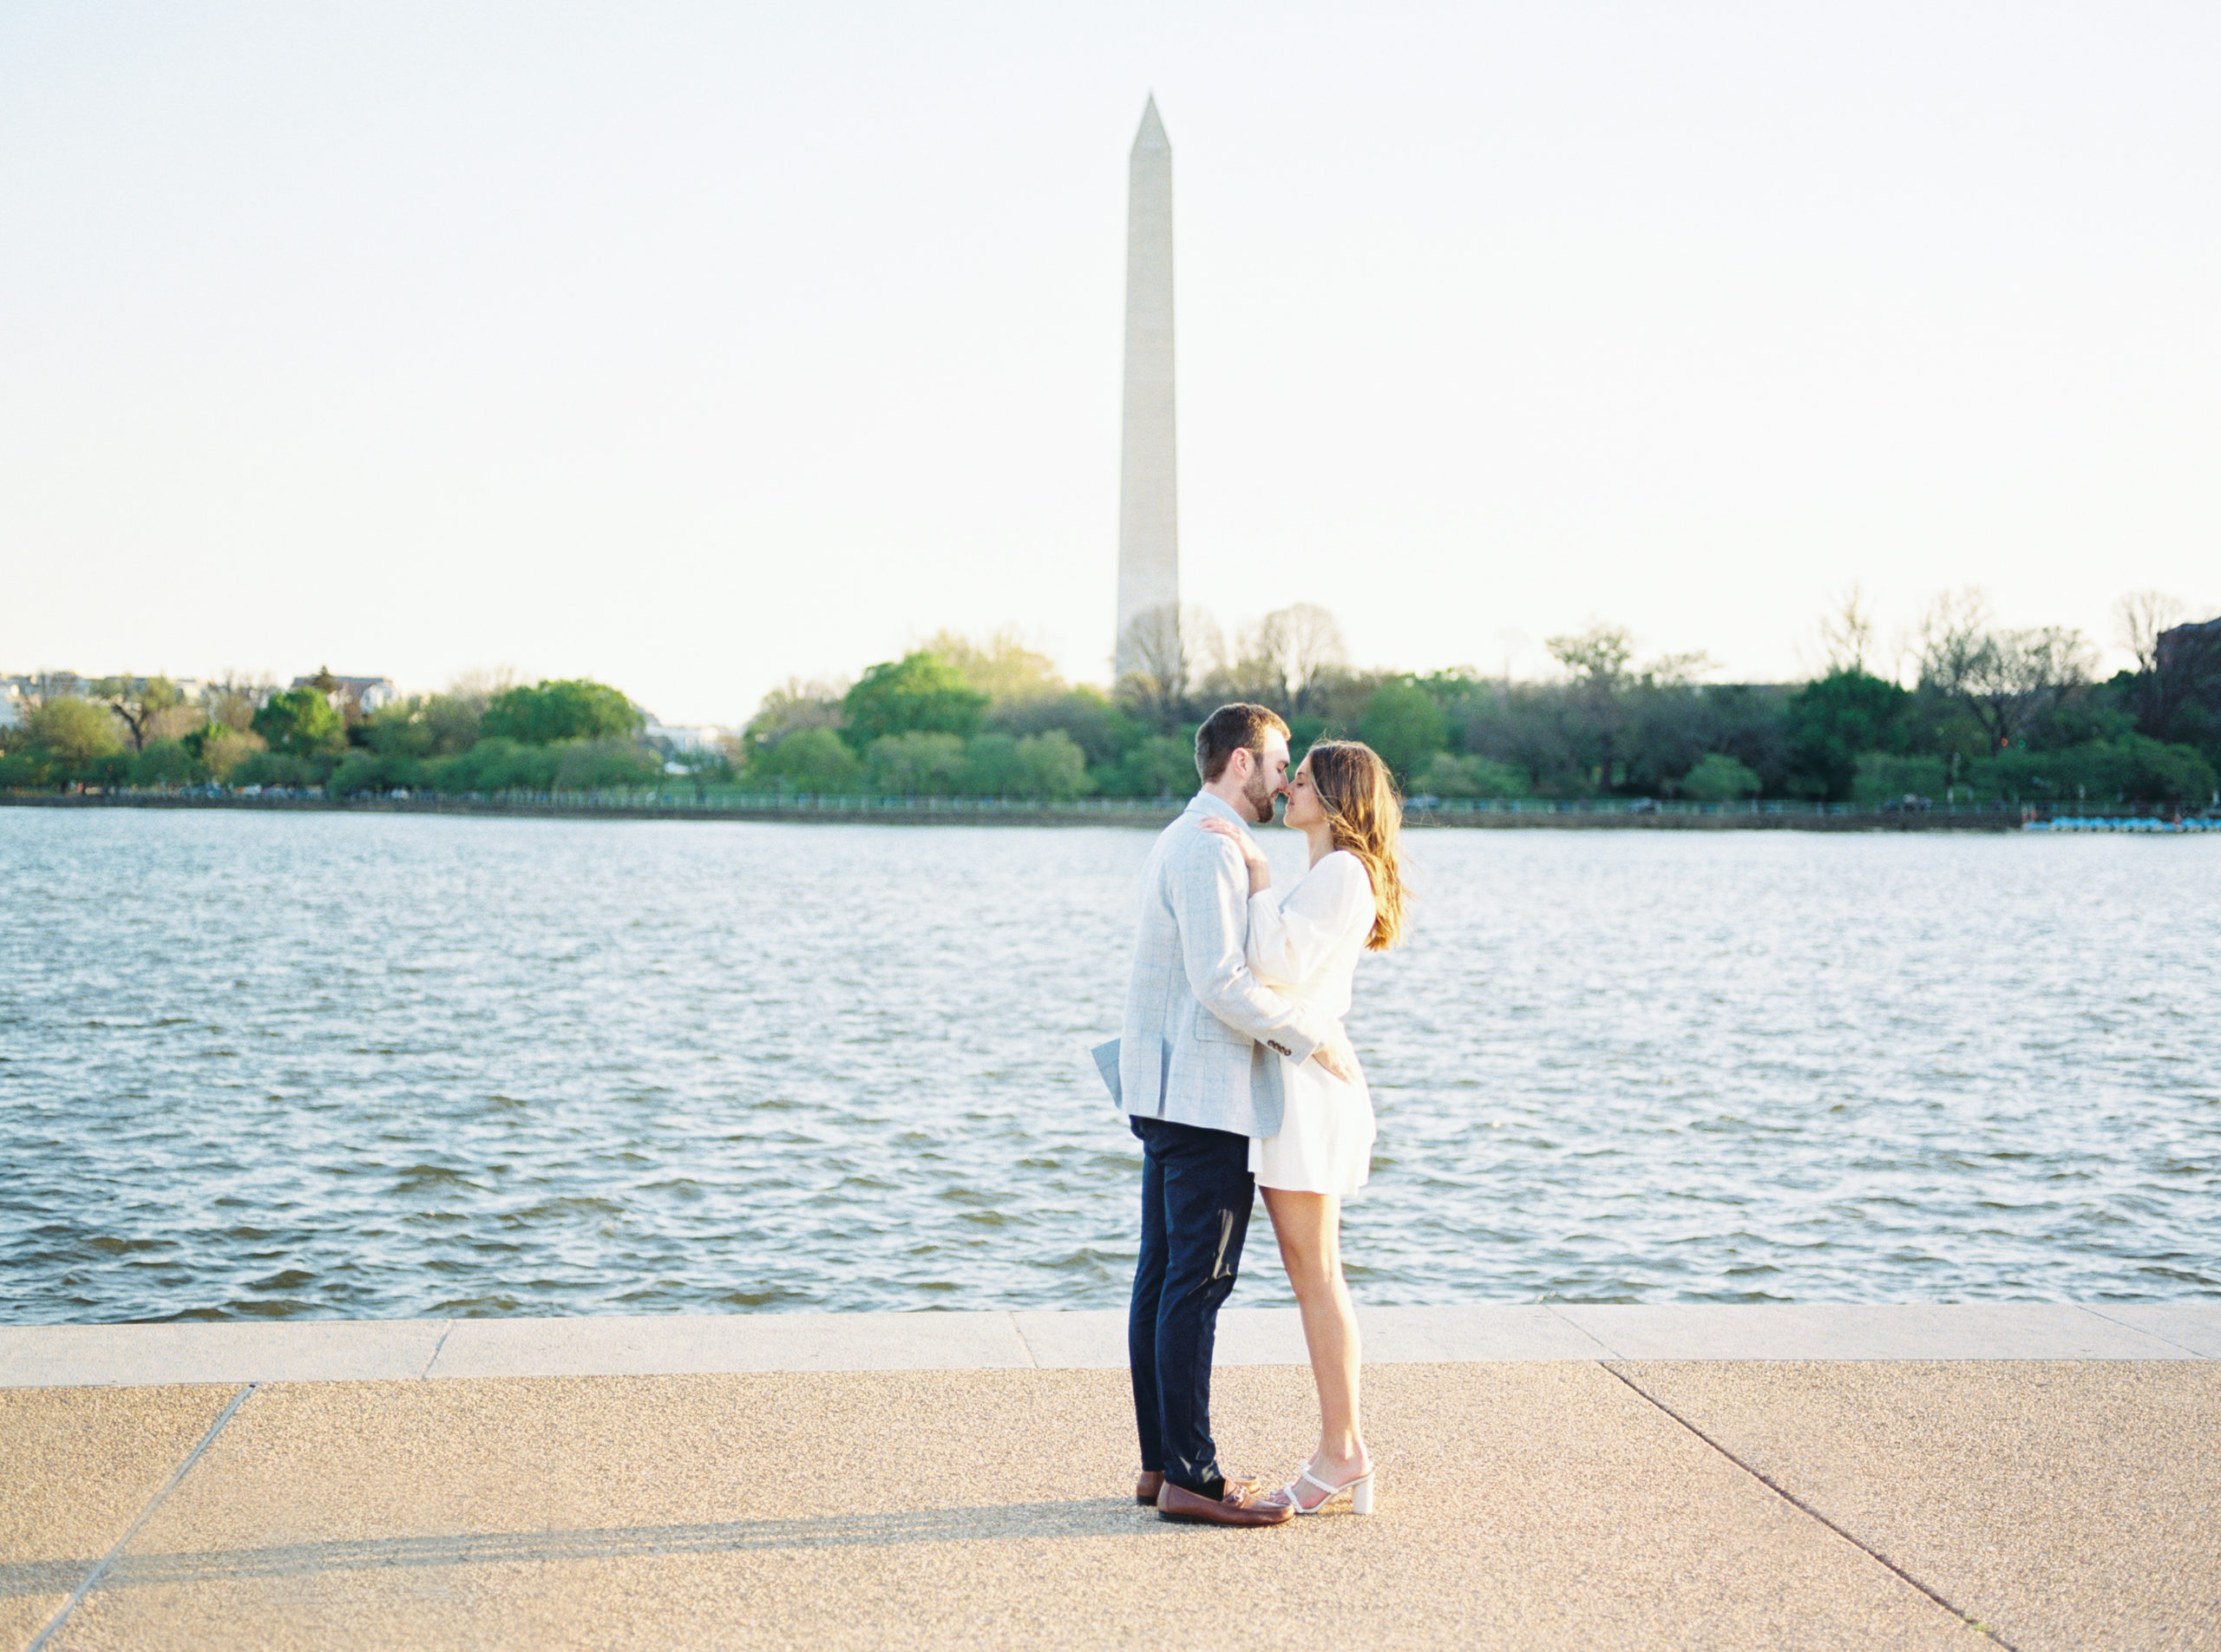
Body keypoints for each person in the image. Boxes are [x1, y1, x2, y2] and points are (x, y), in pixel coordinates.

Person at [1091, 703, 1357, 1528]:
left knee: (1162, 1279)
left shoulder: (1191, 836)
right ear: (1240, 763)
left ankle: (1158, 1464)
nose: (1286, 778)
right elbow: (1219, 980)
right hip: (1201, 1097)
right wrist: (1309, 1037)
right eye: (1279, 762)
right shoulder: (1211, 847)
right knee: (1196, 1285)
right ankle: (1193, 1480)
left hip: (1168, 1088)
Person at [1201, 738, 1406, 1518]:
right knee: (1308, 1270)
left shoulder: (1344, 873)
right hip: (1297, 1080)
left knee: (1316, 1272)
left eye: (1307, 781)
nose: (1289, 787)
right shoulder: (1326, 873)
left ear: (1339, 798)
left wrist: (1254, 877)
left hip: (1310, 1089)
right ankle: (1342, 1446)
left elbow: (1273, 961)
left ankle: (1343, 1450)